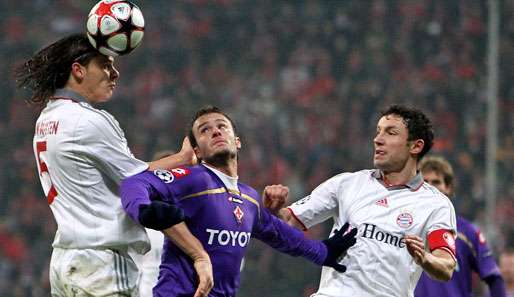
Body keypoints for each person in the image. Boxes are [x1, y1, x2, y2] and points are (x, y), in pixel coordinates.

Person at [15, 33, 213, 297]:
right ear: (78, 70)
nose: (115, 73)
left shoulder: (46, 120)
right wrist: (198, 254)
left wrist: (180, 158)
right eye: (105, 65)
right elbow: (142, 184)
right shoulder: (88, 121)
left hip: (65, 261)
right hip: (101, 262)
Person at [120, 106, 358, 297]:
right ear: (197, 152)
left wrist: (323, 251)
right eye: (204, 130)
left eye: (222, 126)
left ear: (237, 140)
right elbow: (133, 183)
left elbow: (282, 235)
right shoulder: (193, 181)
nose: (215, 131)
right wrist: (144, 209)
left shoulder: (249, 198)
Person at [264, 104, 458, 297]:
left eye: (390, 133)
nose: (378, 139)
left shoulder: (435, 204)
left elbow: (446, 266)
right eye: (378, 131)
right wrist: (275, 208)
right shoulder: (346, 183)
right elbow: (288, 221)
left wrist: (425, 259)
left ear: (416, 146)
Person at [414, 156, 506, 297]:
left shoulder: (467, 232)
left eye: (436, 182)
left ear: (449, 187)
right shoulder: (404, 229)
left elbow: (494, 277)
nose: (430, 187)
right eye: (425, 182)